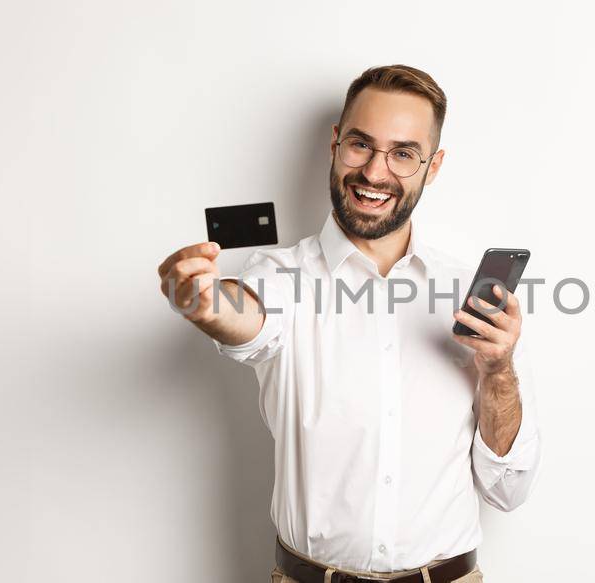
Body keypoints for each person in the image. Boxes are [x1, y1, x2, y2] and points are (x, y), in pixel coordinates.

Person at [156, 64, 541, 583]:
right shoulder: (278, 275)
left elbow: (508, 490)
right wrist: (206, 306)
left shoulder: (471, 297)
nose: (375, 173)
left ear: (432, 167)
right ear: (335, 144)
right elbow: (249, 320)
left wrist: (498, 372)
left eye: (404, 154)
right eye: (361, 144)